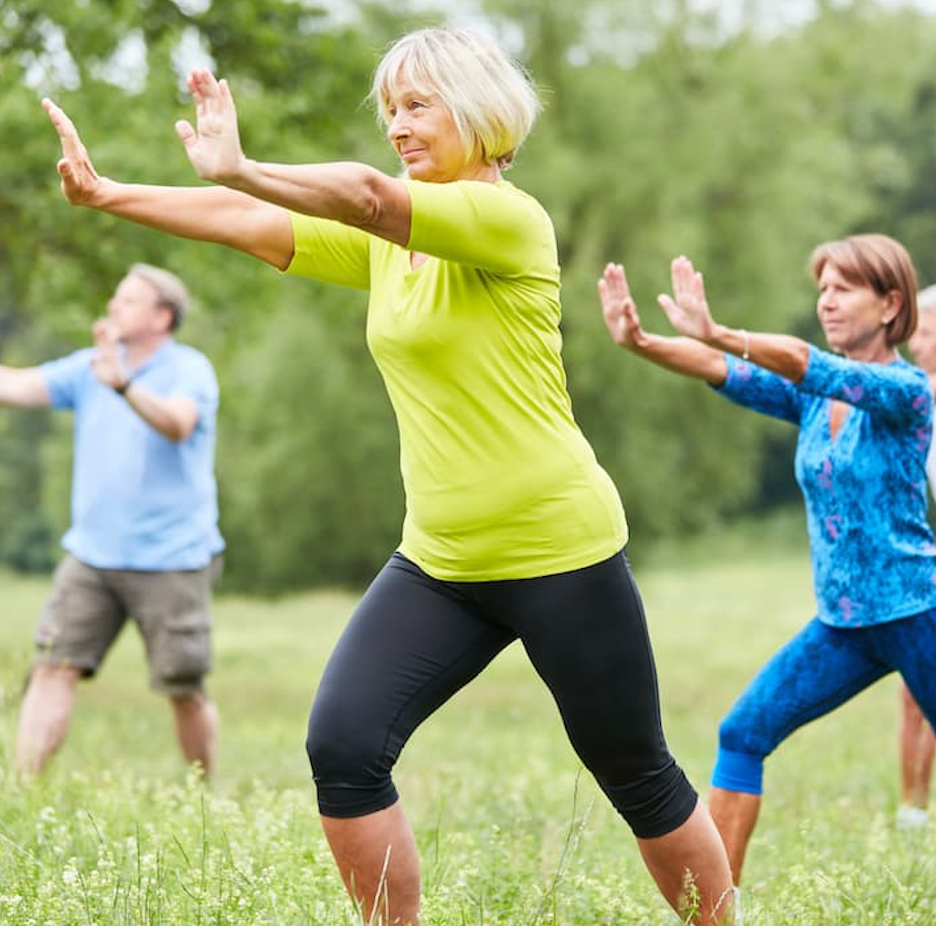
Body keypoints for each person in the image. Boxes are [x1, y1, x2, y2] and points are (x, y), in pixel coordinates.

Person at [42, 26, 737, 926]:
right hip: (441, 559)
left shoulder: (508, 220)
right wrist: (109, 195)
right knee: (343, 745)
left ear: (481, 112)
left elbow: (365, 197)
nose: (399, 128)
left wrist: (243, 163)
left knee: (635, 770)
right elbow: (261, 226)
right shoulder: (386, 244)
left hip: (556, 547)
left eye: (419, 106)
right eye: (391, 112)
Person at [597, 236, 936, 885]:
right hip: (844, 626)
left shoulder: (905, 390)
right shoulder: (812, 399)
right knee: (742, 733)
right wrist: (641, 342)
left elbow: (806, 362)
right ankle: (716, 911)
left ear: (891, 303)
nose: (827, 301)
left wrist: (721, 330)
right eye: (823, 289)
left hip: (918, 614)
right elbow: (727, 372)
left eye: (844, 289)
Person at [9, 263, 223, 779]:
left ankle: (203, 794)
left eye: (127, 301)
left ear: (162, 316)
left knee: (183, 688)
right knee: (53, 666)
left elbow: (178, 424)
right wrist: (109, 375)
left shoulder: (189, 369)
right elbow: (18, 387)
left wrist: (124, 385)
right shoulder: (90, 367)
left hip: (172, 559)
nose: (112, 307)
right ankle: (22, 787)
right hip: (92, 556)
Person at [899, 282, 936, 828]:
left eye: (927, 333)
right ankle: (912, 810)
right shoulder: (912, 398)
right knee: (915, 688)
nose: (916, 344)